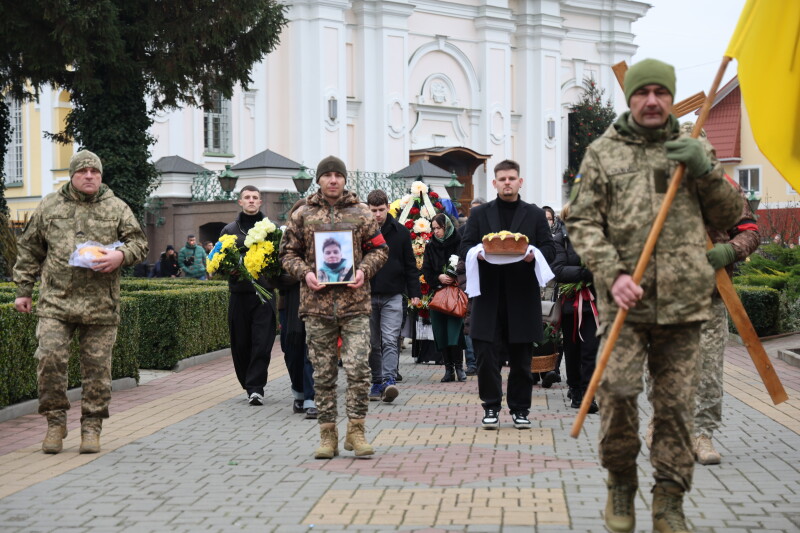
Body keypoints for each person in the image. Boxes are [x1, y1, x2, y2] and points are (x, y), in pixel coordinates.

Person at [566, 59, 743, 533]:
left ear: (670, 97)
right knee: (620, 392)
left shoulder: (695, 144)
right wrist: (612, 272)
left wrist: (705, 169)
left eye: (660, 93)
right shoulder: (604, 152)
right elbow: (581, 221)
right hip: (625, 303)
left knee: (675, 408)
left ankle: (669, 499)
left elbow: (732, 213)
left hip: (686, 305)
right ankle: (621, 481)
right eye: (641, 92)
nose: (651, 100)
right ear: (631, 98)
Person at [13, 150, 148, 454]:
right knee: (49, 360)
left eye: (95, 172)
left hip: (100, 304)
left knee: (98, 369)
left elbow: (139, 243)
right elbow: (29, 249)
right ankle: (55, 422)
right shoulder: (50, 205)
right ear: (73, 175)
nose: (90, 176)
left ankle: (91, 427)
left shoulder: (117, 206)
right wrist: (23, 290)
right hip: (56, 303)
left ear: (101, 176)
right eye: (83, 171)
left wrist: (120, 255)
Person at [280, 155, 388, 459]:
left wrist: (364, 270)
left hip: (355, 305)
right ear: (319, 179)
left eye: (337, 175)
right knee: (324, 373)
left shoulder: (362, 213)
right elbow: (287, 254)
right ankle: (328, 435)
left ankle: (357, 430)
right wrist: (306, 273)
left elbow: (380, 249)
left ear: (343, 179)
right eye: (326, 175)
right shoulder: (302, 215)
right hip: (317, 307)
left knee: (358, 369)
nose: (332, 180)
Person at [459, 159, 556, 430]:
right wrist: (476, 253)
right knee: (486, 358)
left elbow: (549, 250)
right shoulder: (479, 215)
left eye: (512, 178)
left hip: (522, 297)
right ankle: (490, 406)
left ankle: (520, 409)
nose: (507, 183)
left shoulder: (535, 215)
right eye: (502, 179)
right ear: (494, 183)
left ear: (520, 181)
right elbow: (465, 246)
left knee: (522, 360)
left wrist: (532, 254)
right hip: (488, 297)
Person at [219, 185, 278, 406]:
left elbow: (280, 260)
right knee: (241, 342)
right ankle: (248, 382)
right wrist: (229, 269)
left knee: (262, 342)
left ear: (261, 202)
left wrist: (270, 271)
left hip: (264, 295)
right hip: (239, 294)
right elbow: (218, 261)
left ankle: (256, 387)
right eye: (247, 197)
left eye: (255, 197)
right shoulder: (229, 230)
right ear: (240, 202)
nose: (251, 201)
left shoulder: (271, 230)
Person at [366, 190, 421, 403]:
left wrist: (414, 293)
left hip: (393, 295)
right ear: (368, 209)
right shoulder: (362, 233)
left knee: (390, 339)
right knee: (373, 342)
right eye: (373, 211)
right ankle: (376, 380)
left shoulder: (400, 232)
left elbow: (410, 265)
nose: (377, 215)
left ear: (388, 207)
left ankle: (389, 380)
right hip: (368, 295)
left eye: (380, 210)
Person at [549, 202, 599, 413]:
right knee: (573, 351)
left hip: (593, 304)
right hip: (571, 304)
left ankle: (589, 394)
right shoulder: (561, 240)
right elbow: (558, 270)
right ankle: (575, 390)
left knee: (590, 350)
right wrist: (585, 273)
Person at [277, 198, 317, 418]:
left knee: (311, 350)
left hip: (314, 302)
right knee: (291, 350)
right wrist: (303, 274)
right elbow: (275, 275)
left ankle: (312, 397)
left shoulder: (320, 238)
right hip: (289, 304)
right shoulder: (283, 239)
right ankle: (299, 392)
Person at [422, 213, 466, 383]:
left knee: (454, 332)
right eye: (433, 229)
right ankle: (448, 369)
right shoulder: (431, 246)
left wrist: (454, 276)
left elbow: (465, 263)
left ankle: (459, 367)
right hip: (438, 294)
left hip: (455, 293)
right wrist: (438, 278)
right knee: (441, 333)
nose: (436, 232)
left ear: (446, 227)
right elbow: (426, 269)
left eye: (439, 228)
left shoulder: (459, 242)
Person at [457, 197, 486, 376]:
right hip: (469, 285)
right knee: (468, 324)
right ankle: (472, 362)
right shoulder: (463, 232)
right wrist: (465, 283)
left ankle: (485, 361)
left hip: (488, 286)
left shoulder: (493, 232)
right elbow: (461, 261)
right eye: (472, 211)